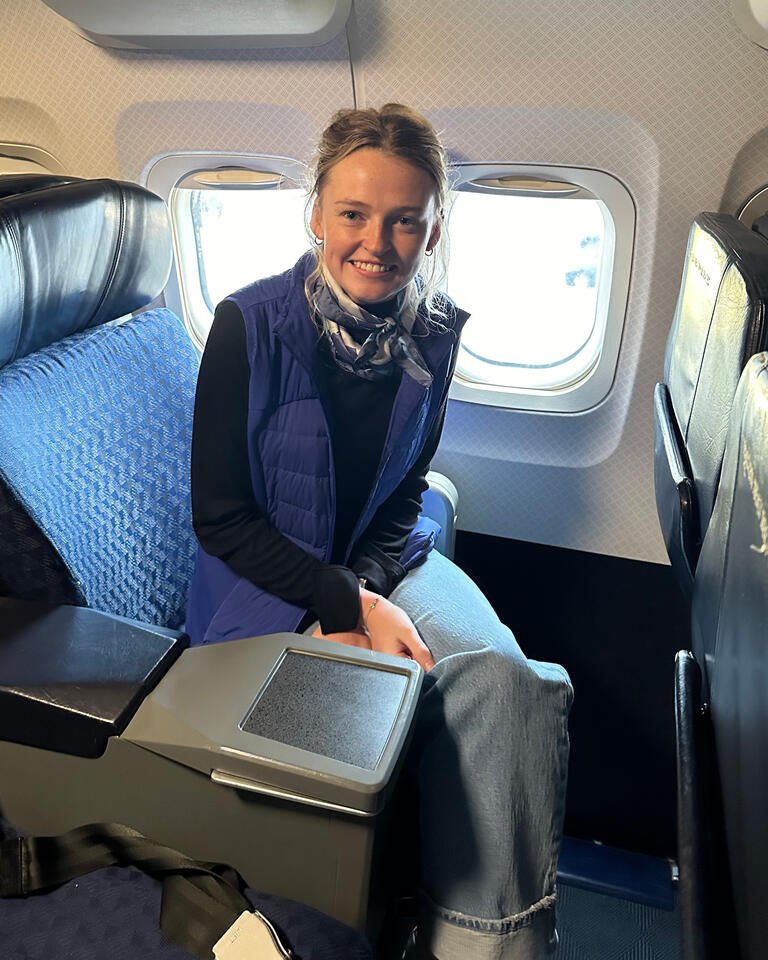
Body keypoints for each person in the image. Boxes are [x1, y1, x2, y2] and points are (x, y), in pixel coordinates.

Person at [186, 103, 572, 960]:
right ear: (317, 214)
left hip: (381, 564)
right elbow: (219, 518)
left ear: (434, 232)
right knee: (394, 696)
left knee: (508, 684)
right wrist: (342, 600)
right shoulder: (248, 327)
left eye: (406, 220)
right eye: (355, 214)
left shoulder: (435, 335)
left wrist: (367, 584)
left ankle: (484, 943)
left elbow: (404, 495)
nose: (377, 242)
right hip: (262, 592)